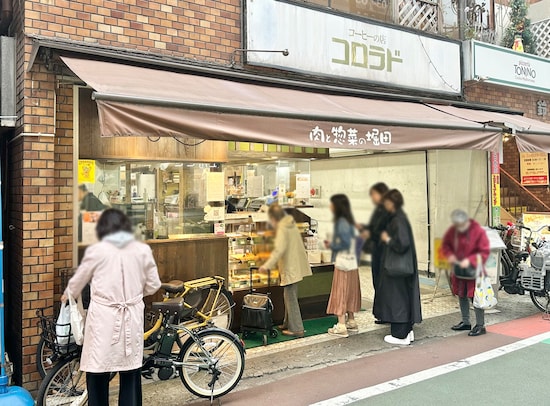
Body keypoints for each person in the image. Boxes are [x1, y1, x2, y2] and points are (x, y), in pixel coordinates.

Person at [62, 209, 161, 406]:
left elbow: (79, 280)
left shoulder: (97, 251)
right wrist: (134, 296)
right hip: (130, 315)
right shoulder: (141, 251)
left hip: (103, 317)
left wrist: (67, 294)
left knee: (98, 369)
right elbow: (154, 285)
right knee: (130, 371)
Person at [375, 189, 422, 345]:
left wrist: (387, 239)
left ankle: (400, 335)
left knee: (397, 299)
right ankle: (407, 331)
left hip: (396, 268)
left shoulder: (397, 220)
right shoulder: (401, 217)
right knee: (404, 297)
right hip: (404, 267)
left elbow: (402, 243)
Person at [259, 204, 312, 337]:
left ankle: (297, 329)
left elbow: (279, 249)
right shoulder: (289, 222)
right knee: (288, 296)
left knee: (291, 297)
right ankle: (288, 323)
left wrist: (267, 265)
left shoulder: (282, 228)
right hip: (295, 264)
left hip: (290, 266)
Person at [441, 209, 490, 337]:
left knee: (476, 296)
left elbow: (484, 251)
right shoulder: (453, 231)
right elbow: (446, 246)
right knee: (461, 294)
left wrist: (470, 261)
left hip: (474, 270)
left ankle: (480, 325)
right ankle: (466, 321)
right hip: (458, 270)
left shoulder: (477, 232)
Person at [325, 194, 362, 338]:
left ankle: (341, 325)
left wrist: (332, 245)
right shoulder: (350, 221)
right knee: (351, 291)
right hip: (352, 262)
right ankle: (351, 321)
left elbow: (344, 243)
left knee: (341, 291)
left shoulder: (340, 222)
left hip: (343, 263)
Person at [360, 183, 390, 291]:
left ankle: (384, 306)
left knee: (383, 282)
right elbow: (374, 227)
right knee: (377, 280)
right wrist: (364, 228)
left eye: (374, 194)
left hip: (385, 251)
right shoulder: (379, 209)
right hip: (377, 250)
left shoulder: (387, 210)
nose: (372, 197)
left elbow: (385, 231)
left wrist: (370, 233)